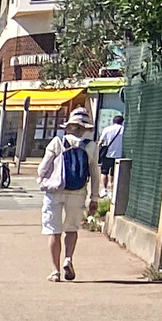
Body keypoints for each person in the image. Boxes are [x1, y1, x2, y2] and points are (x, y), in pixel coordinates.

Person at [38, 110, 100, 281]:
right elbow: (95, 174)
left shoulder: (57, 142)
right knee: (71, 229)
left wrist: (42, 178)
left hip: (55, 191)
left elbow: (42, 168)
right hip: (78, 192)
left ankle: (55, 271)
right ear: (85, 129)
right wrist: (94, 198)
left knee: (53, 231)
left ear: (69, 127)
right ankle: (68, 258)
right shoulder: (91, 147)